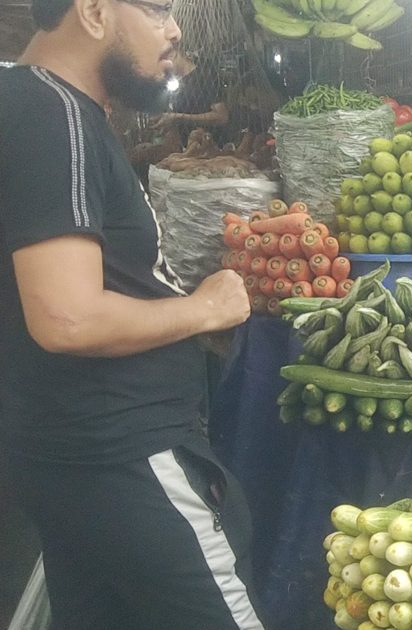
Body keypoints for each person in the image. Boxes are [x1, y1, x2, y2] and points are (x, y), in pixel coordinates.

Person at [0, 1, 262, 629]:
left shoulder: (43, 106)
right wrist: (202, 310)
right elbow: (66, 318)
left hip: (75, 458)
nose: (174, 30)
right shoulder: (50, 113)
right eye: (157, 9)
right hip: (123, 456)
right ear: (92, 11)